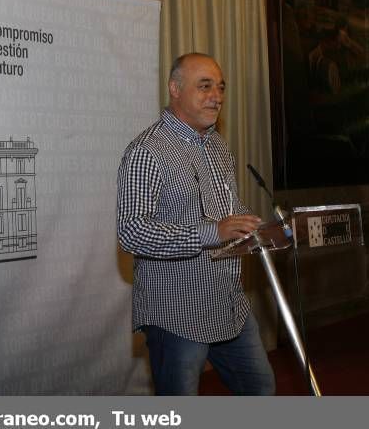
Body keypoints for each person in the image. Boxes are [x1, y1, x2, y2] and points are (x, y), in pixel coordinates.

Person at [116, 53, 276, 396]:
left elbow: (228, 210)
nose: (216, 96)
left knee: (261, 391)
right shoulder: (148, 151)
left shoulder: (217, 145)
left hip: (228, 303)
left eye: (220, 87)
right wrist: (212, 233)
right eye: (204, 87)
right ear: (175, 89)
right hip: (178, 313)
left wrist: (257, 226)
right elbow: (131, 231)